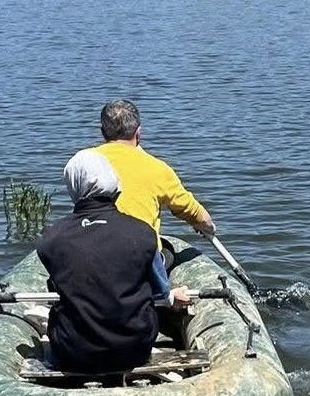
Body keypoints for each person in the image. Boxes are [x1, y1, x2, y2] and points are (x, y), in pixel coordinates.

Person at [36, 149, 189, 375]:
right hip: (135, 348)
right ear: (113, 185)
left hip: (74, 351)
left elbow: (61, 288)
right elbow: (159, 293)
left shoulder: (50, 240)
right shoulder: (143, 233)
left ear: (74, 185)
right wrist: (171, 298)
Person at [94, 99, 216, 296]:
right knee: (167, 254)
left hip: (91, 253)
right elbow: (193, 212)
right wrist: (207, 227)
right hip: (139, 258)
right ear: (138, 132)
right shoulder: (157, 168)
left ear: (102, 132)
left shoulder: (86, 162)